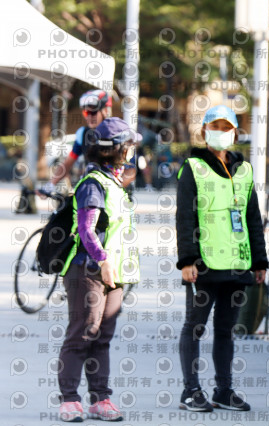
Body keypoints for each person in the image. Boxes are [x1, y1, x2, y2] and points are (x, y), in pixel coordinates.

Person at [176, 105, 268, 412]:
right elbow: (185, 218)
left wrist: (259, 262)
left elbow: (252, 218)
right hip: (203, 265)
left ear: (236, 133)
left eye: (226, 127)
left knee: (226, 330)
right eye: (215, 126)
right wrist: (187, 260)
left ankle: (223, 390)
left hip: (238, 264)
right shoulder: (193, 168)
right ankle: (190, 390)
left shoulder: (244, 170)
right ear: (204, 132)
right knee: (195, 326)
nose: (221, 132)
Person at [57, 117, 141, 422]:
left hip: (114, 274)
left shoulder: (115, 183)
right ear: (115, 148)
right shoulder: (93, 184)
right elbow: (86, 229)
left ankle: (100, 399)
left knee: (102, 337)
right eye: (128, 144)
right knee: (82, 334)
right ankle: (69, 400)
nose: (132, 150)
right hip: (88, 271)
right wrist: (103, 261)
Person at [40, 90, 112, 195]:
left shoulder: (115, 133)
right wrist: (50, 185)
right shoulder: (83, 133)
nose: (89, 117)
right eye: (86, 112)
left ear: (105, 110)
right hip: (92, 190)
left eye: (93, 112)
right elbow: (68, 163)